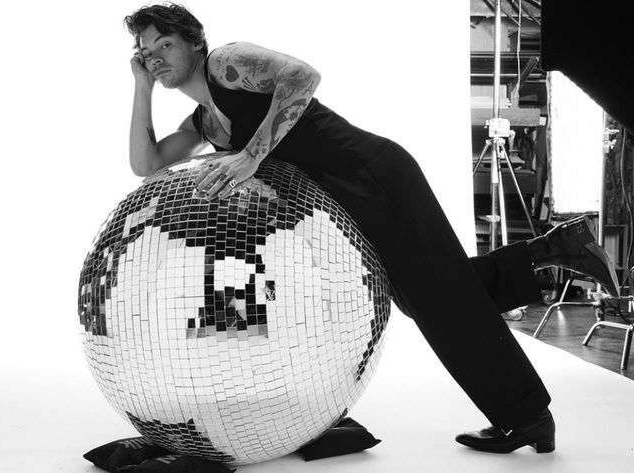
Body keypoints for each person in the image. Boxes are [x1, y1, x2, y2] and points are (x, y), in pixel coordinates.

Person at [125, 3, 619, 455]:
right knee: (433, 296)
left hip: (373, 173)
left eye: (163, 45)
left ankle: (529, 416)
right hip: (356, 198)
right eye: (145, 53)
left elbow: (302, 76)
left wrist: (252, 156)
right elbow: (145, 164)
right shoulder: (204, 124)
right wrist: (141, 86)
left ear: (193, 41)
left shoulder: (226, 63)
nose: (155, 58)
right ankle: (554, 252)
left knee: (441, 302)